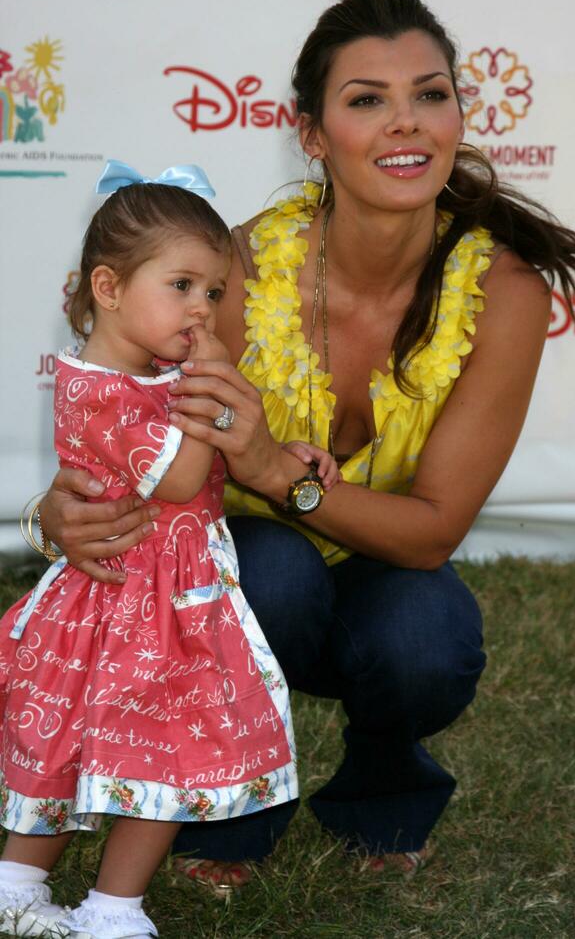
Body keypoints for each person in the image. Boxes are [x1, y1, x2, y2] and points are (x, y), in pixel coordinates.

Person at [32, 0, 575, 898]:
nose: (404, 124)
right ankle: (237, 804)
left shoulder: (507, 288)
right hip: (244, 560)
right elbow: (118, 419)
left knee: (430, 635)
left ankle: (383, 784)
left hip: (390, 564)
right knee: (276, 574)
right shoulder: (234, 270)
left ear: (460, 111)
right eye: (366, 99)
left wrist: (267, 468)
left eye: (431, 93)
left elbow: (435, 530)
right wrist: (56, 509)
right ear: (311, 133)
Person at [0, 162, 338, 938]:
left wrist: (277, 450)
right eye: (182, 286)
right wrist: (213, 381)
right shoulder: (109, 389)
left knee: (112, 747)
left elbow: (212, 462)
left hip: (148, 598)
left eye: (214, 293)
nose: (204, 311)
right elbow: (185, 478)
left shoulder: (146, 380)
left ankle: (51, 893)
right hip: (140, 609)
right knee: (161, 747)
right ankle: (83, 903)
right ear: (110, 289)